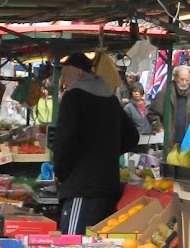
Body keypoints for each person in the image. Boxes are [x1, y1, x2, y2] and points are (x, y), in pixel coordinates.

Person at [53, 52, 142, 234]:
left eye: (65, 74)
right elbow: (132, 137)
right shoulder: (110, 99)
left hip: (82, 189)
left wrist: (61, 172)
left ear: (78, 73)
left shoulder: (74, 97)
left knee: (72, 247)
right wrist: (106, 155)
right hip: (108, 186)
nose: (63, 80)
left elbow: (64, 140)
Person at [151, 64, 190, 149]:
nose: (184, 83)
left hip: (188, 143)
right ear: (175, 78)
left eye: (187, 80)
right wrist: (159, 128)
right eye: (181, 79)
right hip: (168, 143)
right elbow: (153, 114)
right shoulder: (164, 94)